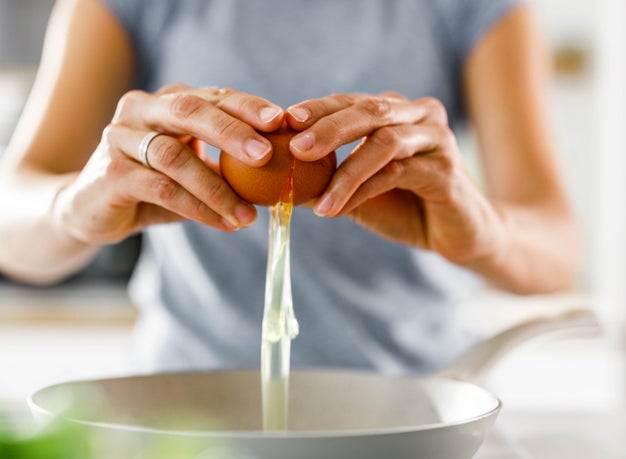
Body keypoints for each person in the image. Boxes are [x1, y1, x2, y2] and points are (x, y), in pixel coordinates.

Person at [0, 0, 579, 374]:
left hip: (412, 410)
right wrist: (71, 210)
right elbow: (11, 227)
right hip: (193, 417)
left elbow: (557, 253)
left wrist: (481, 232)